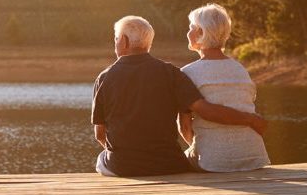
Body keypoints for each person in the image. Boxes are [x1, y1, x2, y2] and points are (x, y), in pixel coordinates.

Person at [92, 15, 267, 177]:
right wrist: (250, 119)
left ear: (123, 42)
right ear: (148, 44)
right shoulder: (172, 73)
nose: (115, 43)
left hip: (123, 166)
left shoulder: (104, 77)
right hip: (168, 164)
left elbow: (100, 134)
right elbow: (201, 111)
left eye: (116, 39)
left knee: (101, 160)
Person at [179, 3, 271, 172]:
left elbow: (185, 127)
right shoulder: (240, 69)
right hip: (253, 157)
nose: (188, 32)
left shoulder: (187, 73)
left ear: (201, 33)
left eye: (191, 28)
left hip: (213, 162)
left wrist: (202, 148)